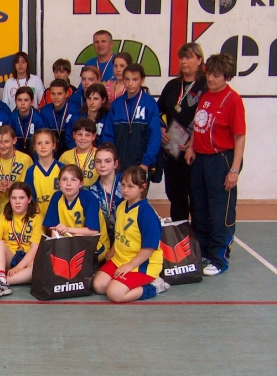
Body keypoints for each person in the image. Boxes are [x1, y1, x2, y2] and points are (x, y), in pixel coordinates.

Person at [185, 53, 246, 276]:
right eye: (209, 74)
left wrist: (234, 170)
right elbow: (198, 124)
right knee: (200, 208)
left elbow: (239, 136)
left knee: (220, 210)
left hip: (221, 160)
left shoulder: (233, 100)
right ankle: (203, 251)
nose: (211, 79)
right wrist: (191, 146)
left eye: (217, 75)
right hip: (200, 159)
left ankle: (219, 258)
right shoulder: (206, 95)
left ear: (226, 76)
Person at [93, 166, 169, 302]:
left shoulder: (147, 213)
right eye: (123, 185)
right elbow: (120, 232)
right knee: (99, 286)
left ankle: (154, 286)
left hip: (142, 265)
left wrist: (130, 265)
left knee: (115, 294)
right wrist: (112, 250)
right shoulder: (121, 205)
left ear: (142, 187)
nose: (125, 190)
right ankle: (123, 282)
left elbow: (149, 248)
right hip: (120, 259)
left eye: (130, 186)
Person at [157, 42, 207, 222]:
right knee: (176, 196)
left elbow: (207, 116)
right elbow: (158, 110)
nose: (184, 62)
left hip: (195, 151)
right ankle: (179, 234)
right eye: (182, 58)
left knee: (196, 198)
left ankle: (198, 236)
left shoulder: (205, 85)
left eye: (189, 57)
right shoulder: (172, 85)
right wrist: (161, 127)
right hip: (173, 151)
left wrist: (193, 141)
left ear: (199, 60)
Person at [0, 182, 44, 299]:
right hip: (8, 260)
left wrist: (19, 267)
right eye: (14, 198)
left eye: (21, 198)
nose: (17, 202)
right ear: (9, 199)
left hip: (26, 261)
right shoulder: (3, 217)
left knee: (38, 267)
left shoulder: (37, 218)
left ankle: (0, 281)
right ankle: (0, 279)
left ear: (29, 199)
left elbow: (35, 248)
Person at [102, 63, 162, 173]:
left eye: (135, 79)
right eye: (127, 79)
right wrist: (110, 159)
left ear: (142, 80)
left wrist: (146, 162)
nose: (130, 83)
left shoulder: (150, 103)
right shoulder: (117, 104)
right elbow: (108, 134)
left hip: (141, 164)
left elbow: (155, 136)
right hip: (118, 164)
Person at [43, 165, 110, 261]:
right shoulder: (57, 197)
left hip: (95, 244)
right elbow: (52, 227)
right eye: (64, 179)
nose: (68, 184)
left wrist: (68, 229)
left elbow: (93, 231)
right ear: (59, 183)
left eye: (73, 180)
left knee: (79, 238)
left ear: (81, 184)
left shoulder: (88, 198)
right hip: (67, 243)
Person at [0, 125, 33, 223]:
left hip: (20, 214)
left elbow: (30, 187)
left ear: (14, 140)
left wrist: (14, 186)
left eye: (6, 141)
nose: (2, 146)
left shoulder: (25, 159)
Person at [88, 143, 123, 244]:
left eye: (107, 161)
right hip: (103, 240)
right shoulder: (92, 191)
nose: (102, 165)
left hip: (126, 239)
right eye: (98, 161)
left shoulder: (126, 184)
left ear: (115, 164)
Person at [24, 129, 64, 215]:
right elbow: (30, 198)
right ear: (34, 147)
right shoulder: (31, 171)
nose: (43, 146)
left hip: (61, 218)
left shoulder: (63, 169)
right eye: (39, 143)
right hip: (39, 218)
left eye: (47, 143)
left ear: (54, 145)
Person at [39, 79, 77, 157]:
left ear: (67, 94)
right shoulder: (45, 111)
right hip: (51, 150)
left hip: (70, 150)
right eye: (53, 93)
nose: (56, 97)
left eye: (59, 94)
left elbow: (75, 136)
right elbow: (44, 135)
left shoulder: (74, 110)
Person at [65, 82, 110, 148]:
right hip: (78, 152)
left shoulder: (108, 119)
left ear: (103, 100)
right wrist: (83, 150)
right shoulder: (76, 117)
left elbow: (107, 140)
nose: (91, 102)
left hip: (99, 153)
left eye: (95, 99)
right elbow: (69, 139)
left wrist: (94, 152)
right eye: (89, 98)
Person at [59, 118, 98, 187]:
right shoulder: (65, 156)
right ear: (74, 135)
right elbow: (59, 179)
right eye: (79, 134)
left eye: (87, 135)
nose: (83, 138)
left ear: (94, 136)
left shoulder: (99, 154)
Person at [10, 85, 45, 154]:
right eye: (19, 100)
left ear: (32, 102)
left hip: (34, 153)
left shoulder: (38, 119)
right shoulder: (12, 118)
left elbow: (41, 142)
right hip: (17, 154)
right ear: (15, 101)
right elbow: (10, 141)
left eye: (26, 100)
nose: (22, 103)